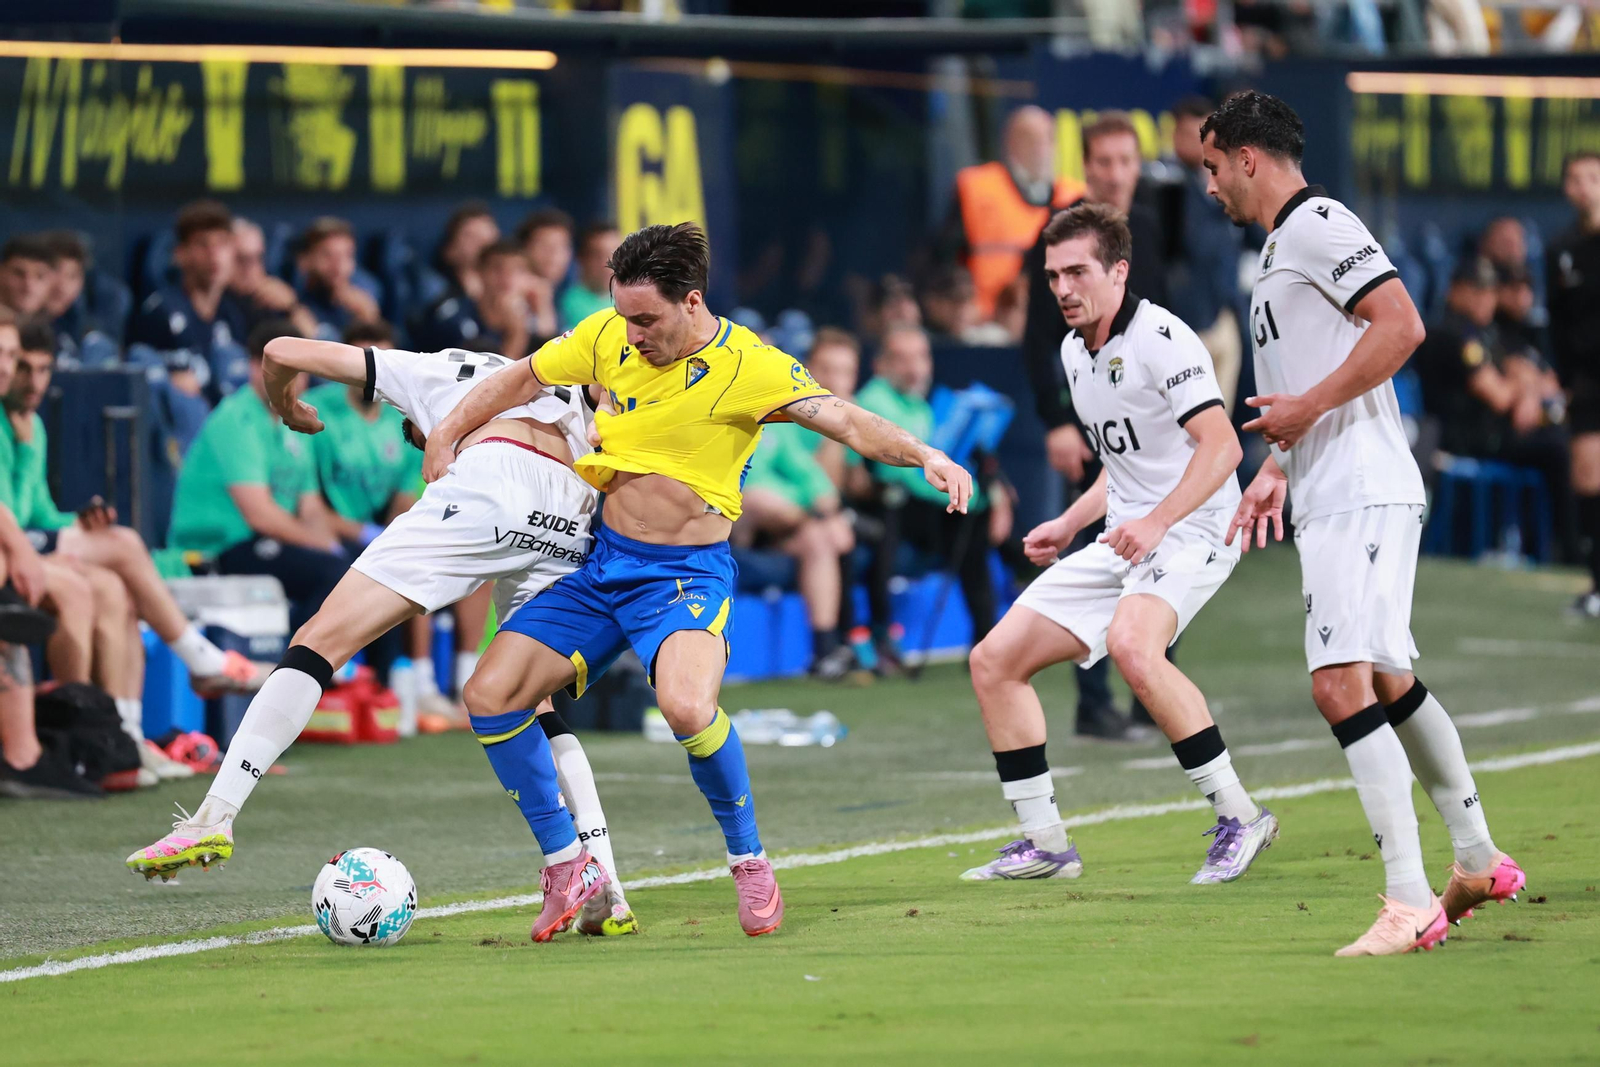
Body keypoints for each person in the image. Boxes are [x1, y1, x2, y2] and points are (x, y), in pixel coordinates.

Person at [422, 222, 972, 939]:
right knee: (488, 695)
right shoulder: (609, 335)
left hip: (683, 576)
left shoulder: (750, 366)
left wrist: (926, 454)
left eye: (646, 319)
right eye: (623, 316)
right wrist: (446, 432)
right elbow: (521, 376)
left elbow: (845, 420)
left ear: (691, 301)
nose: (632, 334)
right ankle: (568, 863)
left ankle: (749, 860)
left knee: (685, 707)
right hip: (603, 566)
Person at [128, 322, 637, 935]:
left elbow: (280, 351)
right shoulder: (559, 378)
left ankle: (214, 815)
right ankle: (604, 883)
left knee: (319, 641)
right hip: (574, 516)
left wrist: (286, 405)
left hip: (492, 485)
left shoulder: (432, 371)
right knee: (532, 703)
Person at [1201, 89, 1524, 956]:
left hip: (1361, 487)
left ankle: (1408, 900)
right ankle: (1478, 858)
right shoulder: (1281, 247)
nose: (1209, 186)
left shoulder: (1317, 223)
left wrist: (1306, 410)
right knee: (1381, 677)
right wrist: (1277, 465)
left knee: (1338, 684)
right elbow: (1316, 373)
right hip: (1334, 486)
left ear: (1248, 158)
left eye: (1213, 166)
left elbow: (1402, 326)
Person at [963, 202, 1273, 885]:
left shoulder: (1163, 339)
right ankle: (1046, 844)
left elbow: (1222, 448)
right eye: (1053, 276)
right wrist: (1070, 521)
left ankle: (1240, 816)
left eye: (1077, 272)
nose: (1063, 288)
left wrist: (1157, 521)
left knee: (1135, 647)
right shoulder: (1075, 351)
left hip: (1194, 529)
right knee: (994, 661)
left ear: (1119, 271)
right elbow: (1123, 465)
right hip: (1127, 535)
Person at [6, 321, 267, 766]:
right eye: (21, 367)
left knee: (116, 588)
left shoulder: (33, 427)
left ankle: (123, 739)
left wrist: (79, 521)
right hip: (10, 550)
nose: (33, 382)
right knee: (123, 544)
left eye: (43, 370)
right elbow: (9, 518)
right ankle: (199, 661)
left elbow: (40, 514)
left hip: (29, 544)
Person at [1020, 110, 1176, 742]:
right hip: (1088, 425)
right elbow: (1037, 339)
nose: (1115, 173)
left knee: (1165, 552)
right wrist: (1057, 421)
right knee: (1091, 551)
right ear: (1084, 168)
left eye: (1125, 161)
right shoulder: (1059, 239)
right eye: (1104, 162)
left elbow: (1163, 325)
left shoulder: (1149, 231)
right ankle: (1093, 701)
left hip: (1150, 426)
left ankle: (1152, 694)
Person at [165, 320, 351, 629]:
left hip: (270, 540)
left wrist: (331, 543)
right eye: (284, 371)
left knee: (371, 569)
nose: (293, 381)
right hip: (220, 548)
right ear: (256, 368)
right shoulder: (236, 419)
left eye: (300, 371)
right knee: (334, 573)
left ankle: (397, 661)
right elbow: (259, 515)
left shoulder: (296, 420)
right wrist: (322, 547)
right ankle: (296, 658)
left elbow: (310, 505)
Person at [856, 324, 1009, 657]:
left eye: (921, 358)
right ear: (881, 364)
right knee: (968, 518)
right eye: (902, 359)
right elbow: (899, 473)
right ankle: (989, 638)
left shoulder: (919, 406)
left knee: (973, 516)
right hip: (887, 506)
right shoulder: (874, 400)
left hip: (919, 507)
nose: (914, 368)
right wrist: (969, 496)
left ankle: (990, 636)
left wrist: (987, 495)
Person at [938, 105, 1083, 324]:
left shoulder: (1074, 197)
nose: (1042, 148)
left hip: (1057, 318)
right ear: (1011, 143)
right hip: (986, 319)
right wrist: (960, 304)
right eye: (1030, 139)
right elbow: (945, 257)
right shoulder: (977, 188)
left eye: (1048, 139)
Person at [1165, 96, 1245, 413]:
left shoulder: (1225, 180)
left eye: (1208, 135)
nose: (1200, 144)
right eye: (1190, 135)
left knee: (1223, 414)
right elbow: (1192, 243)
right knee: (1189, 415)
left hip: (1225, 310)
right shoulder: (1166, 185)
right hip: (1185, 318)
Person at [1547, 150, 1600, 616]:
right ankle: (1597, 585)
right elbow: (1557, 323)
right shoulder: (1560, 249)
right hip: (1586, 383)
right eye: (1574, 178)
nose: (1582, 187)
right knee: (1587, 477)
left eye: (1591, 178)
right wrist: (1564, 381)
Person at [127, 200, 250, 401]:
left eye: (222, 243)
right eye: (203, 244)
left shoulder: (233, 313)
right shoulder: (159, 313)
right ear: (180, 254)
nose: (214, 254)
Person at [39, 230, 120, 367]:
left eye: (72, 276)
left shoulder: (74, 325)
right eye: (55, 271)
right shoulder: (18, 328)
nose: (62, 286)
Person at [294, 217, 381, 341]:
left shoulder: (367, 292)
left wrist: (368, 321)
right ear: (304, 261)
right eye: (327, 255)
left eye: (347, 255)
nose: (338, 266)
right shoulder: (291, 294)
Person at [230, 217, 319, 338]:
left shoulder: (270, 300)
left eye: (258, 258)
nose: (251, 268)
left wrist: (292, 307)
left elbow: (314, 336)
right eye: (242, 259)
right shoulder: (216, 301)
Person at [515, 208, 571, 343]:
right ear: (523, 250)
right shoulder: (511, 295)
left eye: (561, 246)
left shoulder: (565, 294)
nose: (553, 254)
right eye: (544, 245)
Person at [559, 222, 621, 329]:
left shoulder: (636, 299)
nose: (608, 263)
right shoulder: (565, 304)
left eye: (616, 254)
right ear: (581, 259)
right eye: (598, 255)